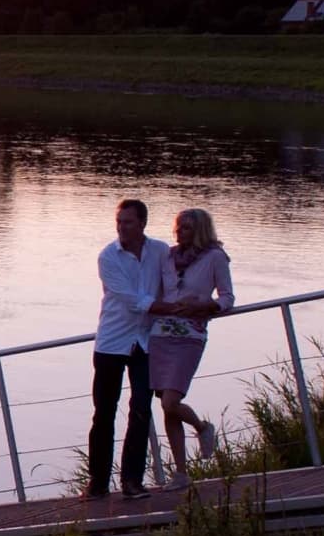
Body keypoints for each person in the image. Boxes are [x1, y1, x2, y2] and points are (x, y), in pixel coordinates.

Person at [89, 197, 171, 497]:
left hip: (146, 343)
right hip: (112, 342)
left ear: (142, 224)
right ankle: (98, 483)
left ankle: (132, 481)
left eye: (128, 222)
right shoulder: (108, 257)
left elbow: (174, 281)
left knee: (141, 410)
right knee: (104, 413)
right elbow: (130, 299)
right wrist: (170, 308)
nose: (121, 227)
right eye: (119, 222)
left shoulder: (161, 251)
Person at [146, 207, 233, 467]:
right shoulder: (168, 257)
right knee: (166, 407)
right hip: (160, 335)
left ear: (200, 230)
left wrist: (205, 305)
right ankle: (181, 473)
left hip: (190, 336)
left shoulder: (215, 257)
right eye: (178, 226)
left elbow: (227, 297)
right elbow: (158, 293)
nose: (179, 232)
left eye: (186, 228)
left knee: (171, 402)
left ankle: (202, 427)